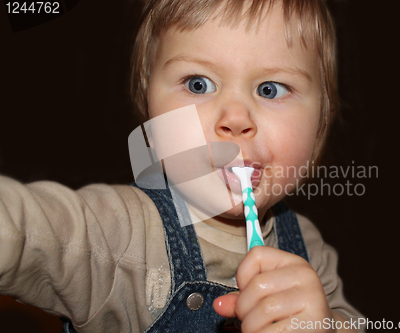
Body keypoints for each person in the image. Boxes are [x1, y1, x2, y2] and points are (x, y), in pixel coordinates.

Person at [0, 0, 365, 332]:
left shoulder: (308, 248)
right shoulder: (117, 233)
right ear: (151, 125)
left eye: (270, 89)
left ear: (320, 128)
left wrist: (327, 327)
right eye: (198, 84)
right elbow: (24, 228)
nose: (235, 118)